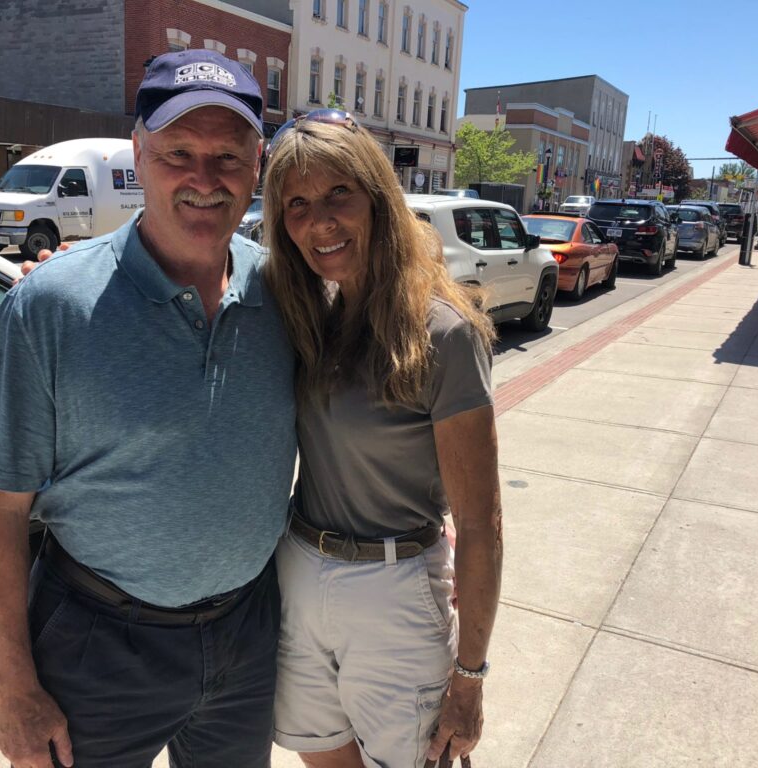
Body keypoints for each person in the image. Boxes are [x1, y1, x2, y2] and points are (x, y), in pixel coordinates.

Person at [0, 49, 296, 768]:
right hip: (96, 650)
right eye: (178, 152)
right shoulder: (52, 304)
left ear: (258, 162)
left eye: (228, 154)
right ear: (138, 153)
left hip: (248, 635)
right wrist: (14, 690)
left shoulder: (285, 292)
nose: (204, 177)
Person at [260, 111, 503, 768]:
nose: (320, 221)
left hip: (393, 594)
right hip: (301, 574)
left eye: (338, 193)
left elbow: (481, 525)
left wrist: (470, 679)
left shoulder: (444, 334)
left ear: (377, 198)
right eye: (298, 204)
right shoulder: (311, 311)